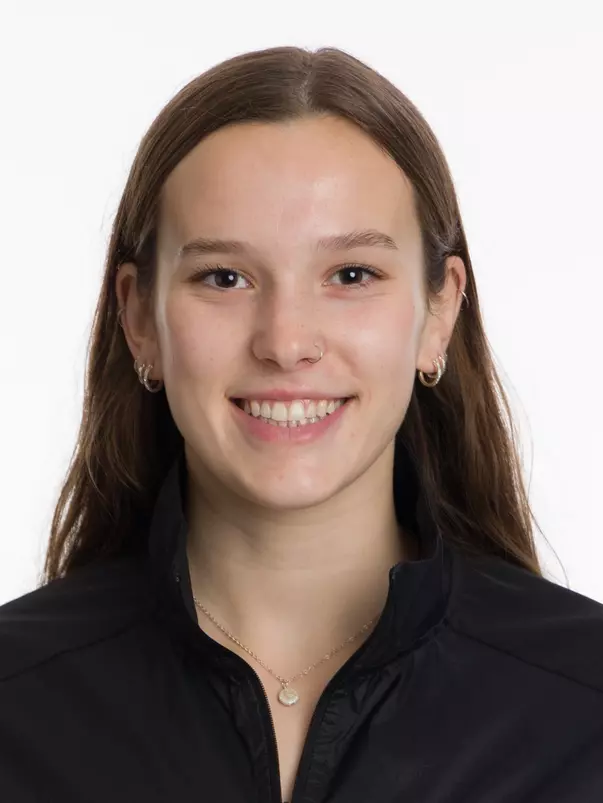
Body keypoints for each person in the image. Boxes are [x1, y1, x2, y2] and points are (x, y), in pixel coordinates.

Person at [0, 45, 602, 803]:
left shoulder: (584, 704)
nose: (285, 342)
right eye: (224, 277)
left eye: (351, 275)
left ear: (438, 311)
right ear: (138, 318)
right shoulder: (16, 704)